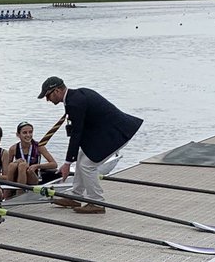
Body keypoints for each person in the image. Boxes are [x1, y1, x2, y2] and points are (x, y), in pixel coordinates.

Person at [39, 75, 143, 214]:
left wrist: (67, 163)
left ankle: (97, 202)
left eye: (48, 95)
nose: (47, 100)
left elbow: (77, 133)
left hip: (117, 133)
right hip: (104, 132)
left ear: (57, 91)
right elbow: (80, 132)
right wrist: (71, 159)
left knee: (87, 165)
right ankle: (76, 196)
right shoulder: (76, 95)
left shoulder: (75, 102)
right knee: (82, 158)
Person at [3, 121, 59, 188]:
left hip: (33, 177)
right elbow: (7, 169)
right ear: (18, 135)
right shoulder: (13, 148)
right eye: (24, 133)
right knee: (14, 165)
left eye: (30, 132)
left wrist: (37, 166)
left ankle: (20, 192)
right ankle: (7, 193)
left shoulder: (39, 147)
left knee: (23, 165)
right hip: (18, 177)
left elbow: (54, 164)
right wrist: (16, 162)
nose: (28, 135)